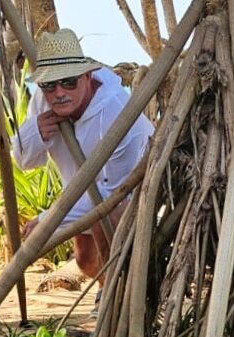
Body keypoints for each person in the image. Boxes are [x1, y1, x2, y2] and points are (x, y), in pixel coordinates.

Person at [13, 28, 154, 310]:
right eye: (50, 85)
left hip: (132, 198)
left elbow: (113, 190)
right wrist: (35, 132)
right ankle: (105, 283)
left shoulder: (119, 114)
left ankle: (116, 296)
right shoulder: (45, 98)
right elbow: (25, 160)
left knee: (110, 216)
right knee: (85, 261)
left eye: (68, 82)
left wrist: (50, 218)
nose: (59, 93)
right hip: (79, 198)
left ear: (87, 76)